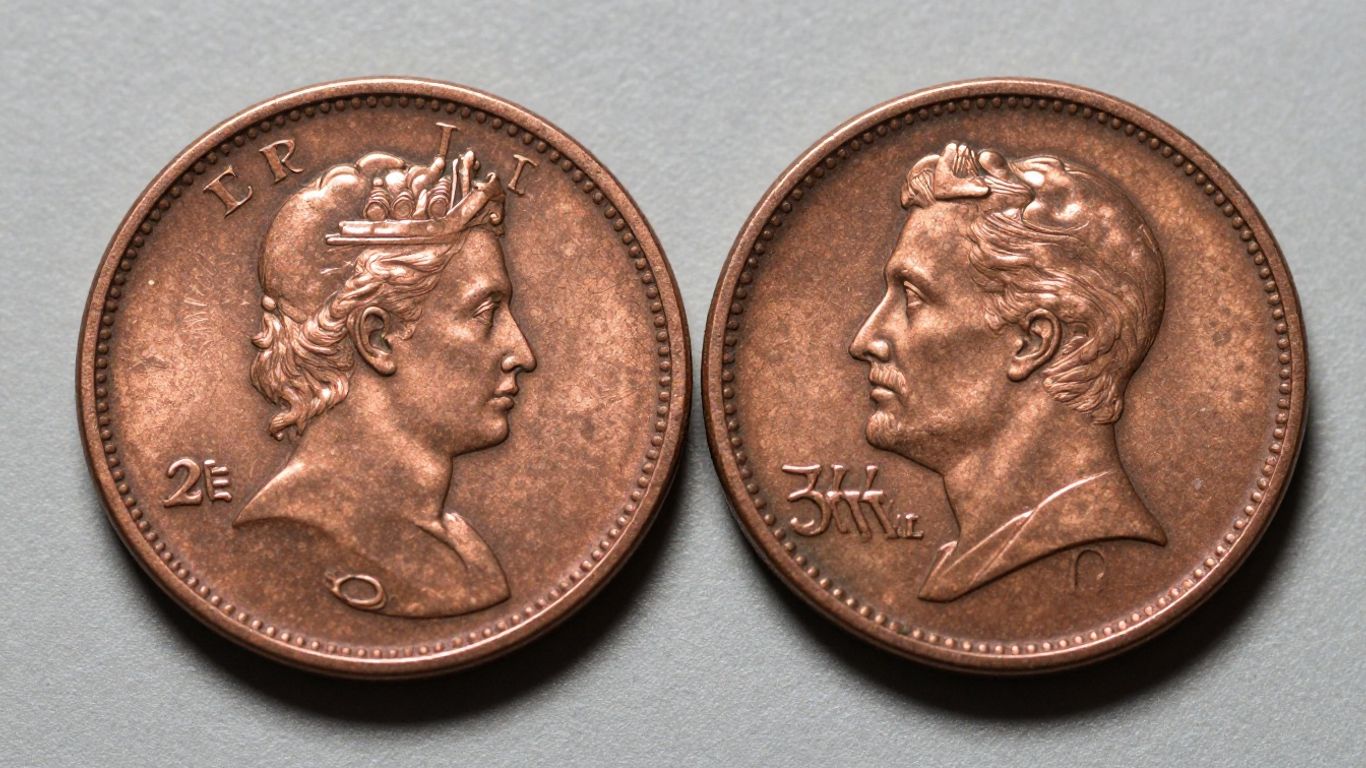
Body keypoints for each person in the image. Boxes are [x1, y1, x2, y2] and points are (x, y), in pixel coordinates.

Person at [235, 132, 536, 618]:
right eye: (485, 313)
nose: (522, 353)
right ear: (377, 338)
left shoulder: (458, 542)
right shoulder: (290, 535)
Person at [850, 142, 1167, 601]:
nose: (865, 341)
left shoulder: (1091, 550)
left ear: (1032, 342)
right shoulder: (970, 559)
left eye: (912, 298)